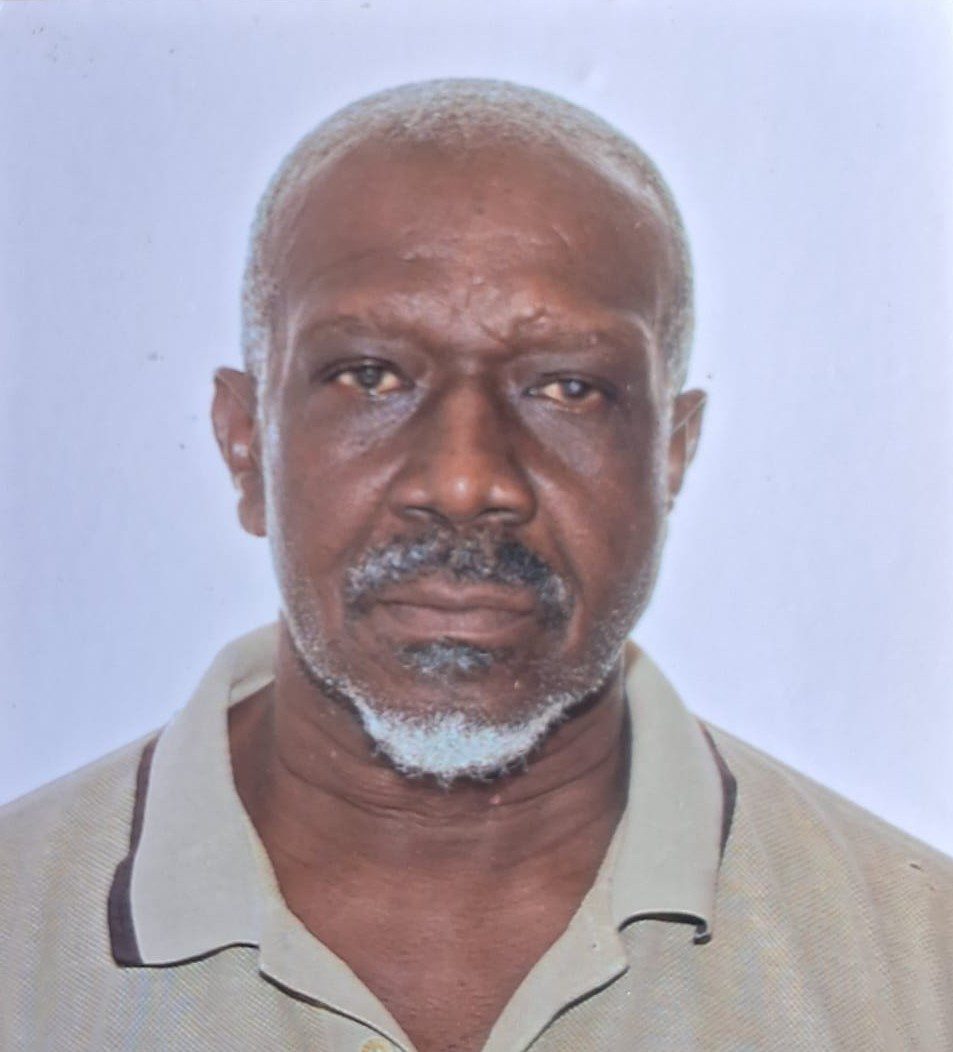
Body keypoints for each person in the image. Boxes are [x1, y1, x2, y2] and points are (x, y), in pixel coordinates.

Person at [1, 79, 950, 1052]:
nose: (463, 481)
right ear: (246, 445)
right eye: (369, 375)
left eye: (567, 388)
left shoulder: (921, 972)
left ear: (670, 454)